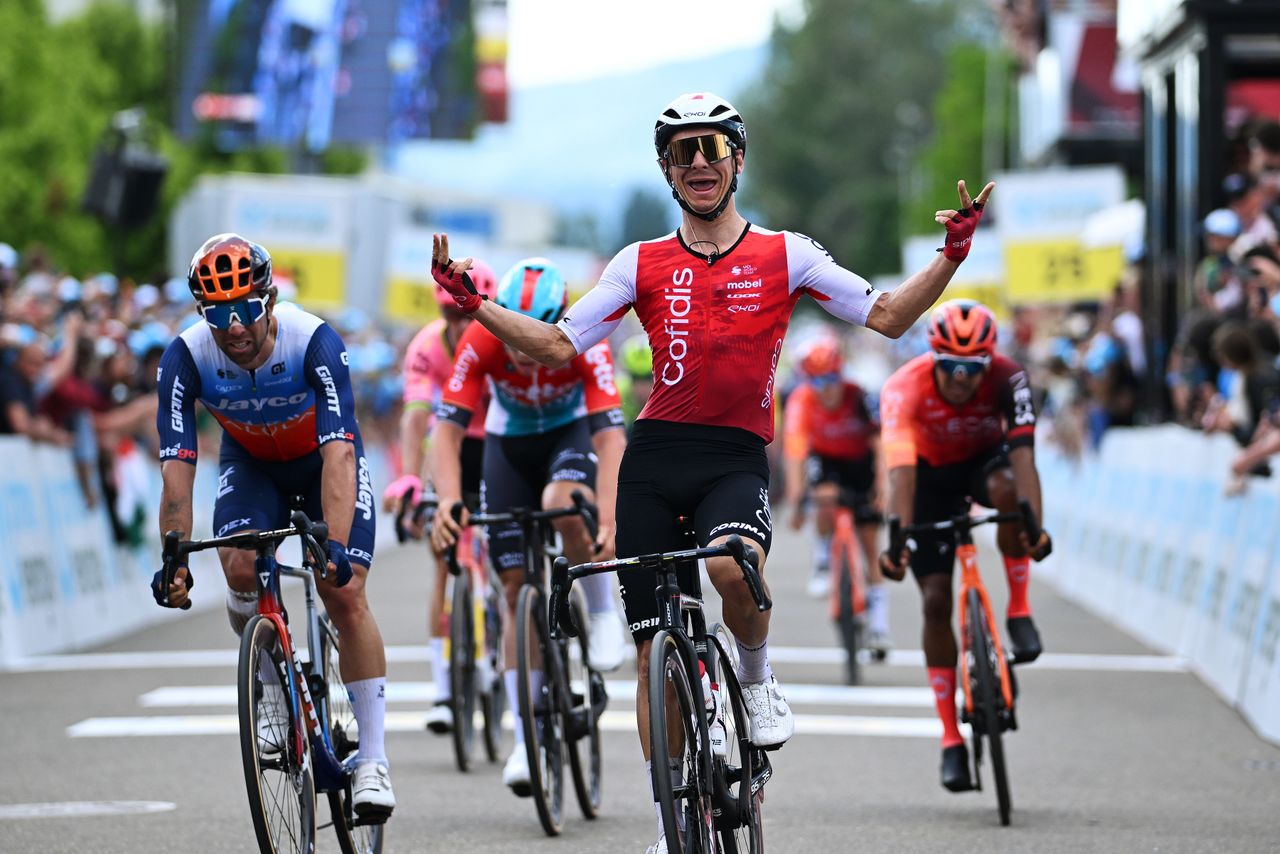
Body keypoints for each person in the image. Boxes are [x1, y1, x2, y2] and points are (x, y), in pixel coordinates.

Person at [429, 92, 994, 854]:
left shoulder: (788, 252)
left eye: (712, 148)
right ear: (667, 168)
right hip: (654, 458)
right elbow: (559, 346)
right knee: (650, 656)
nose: (699, 162)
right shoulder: (639, 262)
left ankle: (755, 680)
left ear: (737, 158)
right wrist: (482, 307)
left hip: (734, 456)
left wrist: (952, 255)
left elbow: (887, 316)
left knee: (734, 570)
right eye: (683, 151)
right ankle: (671, 822)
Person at [150, 233, 395, 821]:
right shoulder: (184, 359)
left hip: (322, 460)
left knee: (344, 591)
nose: (233, 327)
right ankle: (272, 688)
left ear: (268, 298)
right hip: (251, 464)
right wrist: (173, 557)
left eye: (244, 309)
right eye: (217, 313)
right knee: (236, 560)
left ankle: (373, 760)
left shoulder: (313, 341)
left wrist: (333, 545)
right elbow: (178, 467)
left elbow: (339, 451)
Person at [428, 257, 629, 795]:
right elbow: (445, 432)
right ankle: (526, 738)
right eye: (514, 332)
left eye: (533, 332)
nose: (522, 349)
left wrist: (607, 518)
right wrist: (448, 500)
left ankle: (605, 610)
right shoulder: (484, 339)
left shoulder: (589, 341)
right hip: (508, 446)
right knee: (515, 589)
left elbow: (611, 438)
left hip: (568, 439)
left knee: (563, 502)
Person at [877, 298, 1052, 794]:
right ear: (933, 358)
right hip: (928, 479)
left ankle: (1018, 609)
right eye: (950, 367)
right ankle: (951, 738)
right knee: (935, 601)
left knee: (1007, 496)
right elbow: (901, 474)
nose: (960, 378)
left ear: (989, 362)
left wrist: (1033, 526)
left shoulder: (1009, 376)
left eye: (972, 369)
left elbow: (1023, 458)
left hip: (984, 464)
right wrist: (897, 539)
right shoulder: (902, 389)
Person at [380, 260, 498, 735]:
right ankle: (445, 690)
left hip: (495, 443)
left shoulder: (498, 339)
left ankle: (501, 636)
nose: (461, 325)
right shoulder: (425, 348)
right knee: (443, 557)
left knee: (503, 553)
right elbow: (414, 417)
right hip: (449, 446)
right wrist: (410, 480)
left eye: (468, 314)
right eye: (451, 316)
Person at [781, 337, 892, 651]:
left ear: (840, 375)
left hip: (861, 463)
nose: (824, 389)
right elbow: (795, 454)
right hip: (827, 462)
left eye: (831, 379)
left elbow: (880, 445)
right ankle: (822, 559)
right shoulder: (801, 401)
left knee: (870, 544)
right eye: (816, 381)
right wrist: (796, 503)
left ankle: (880, 625)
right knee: (823, 496)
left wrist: (882, 487)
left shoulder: (859, 395)